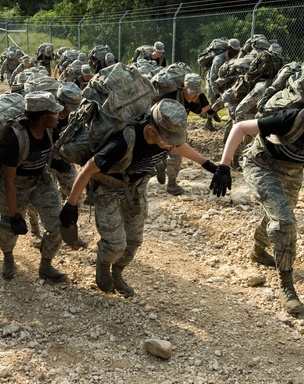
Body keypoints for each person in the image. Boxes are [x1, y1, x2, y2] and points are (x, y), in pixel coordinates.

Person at [60, 99, 218, 297]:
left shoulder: (165, 139)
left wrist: (209, 166)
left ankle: (117, 273)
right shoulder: (121, 143)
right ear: (152, 130)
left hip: (134, 188)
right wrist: (71, 205)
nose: (172, 144)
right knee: (115, 244)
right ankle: (103, 263)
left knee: (134, 240)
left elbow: (178, 146)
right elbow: (87, 171)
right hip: (107, 188)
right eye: (169, 139)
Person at [211, 93, 304, 315]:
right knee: (285, 221)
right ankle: (287, 286)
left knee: (277, 216)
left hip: (293, 173)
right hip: (261, 165)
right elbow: (240, 127)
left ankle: (257, 251)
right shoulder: (289, 119)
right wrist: (224, 166)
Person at [0, 92, 71, 282]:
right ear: (44, 117)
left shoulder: (49, 130)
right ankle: (8, 258)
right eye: (54, 113)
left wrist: (56, 164)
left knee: (58, 225)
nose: (58, 116)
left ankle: (45, 266)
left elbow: (44, 154)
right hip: (16, 185)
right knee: (10, 228)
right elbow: (8, 180)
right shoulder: (15, 139)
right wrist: (14, 215)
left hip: (40, 182)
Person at [158, 73, 215, 195]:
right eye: (193, 93)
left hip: (176, 125)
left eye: (198, 92)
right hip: (161, 124)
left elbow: (201, 109)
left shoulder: (196, 96)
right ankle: (171, 184)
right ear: (184, 89)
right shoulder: (170, 98)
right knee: (176, 154)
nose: (196, 96)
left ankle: (161, 162)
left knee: (174, 151)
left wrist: (210, 110)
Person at [206, 38, 242, 128]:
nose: (236, 52)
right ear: (229, 48)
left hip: (224, 81)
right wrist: (216, 93)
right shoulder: (219, 59)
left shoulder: (236, 58)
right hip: (212, 82)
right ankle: (208, 122)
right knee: (214, 101)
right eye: (234, 50)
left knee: (225, 101)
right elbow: (212, 77)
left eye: (237, 50)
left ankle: (214, 113)